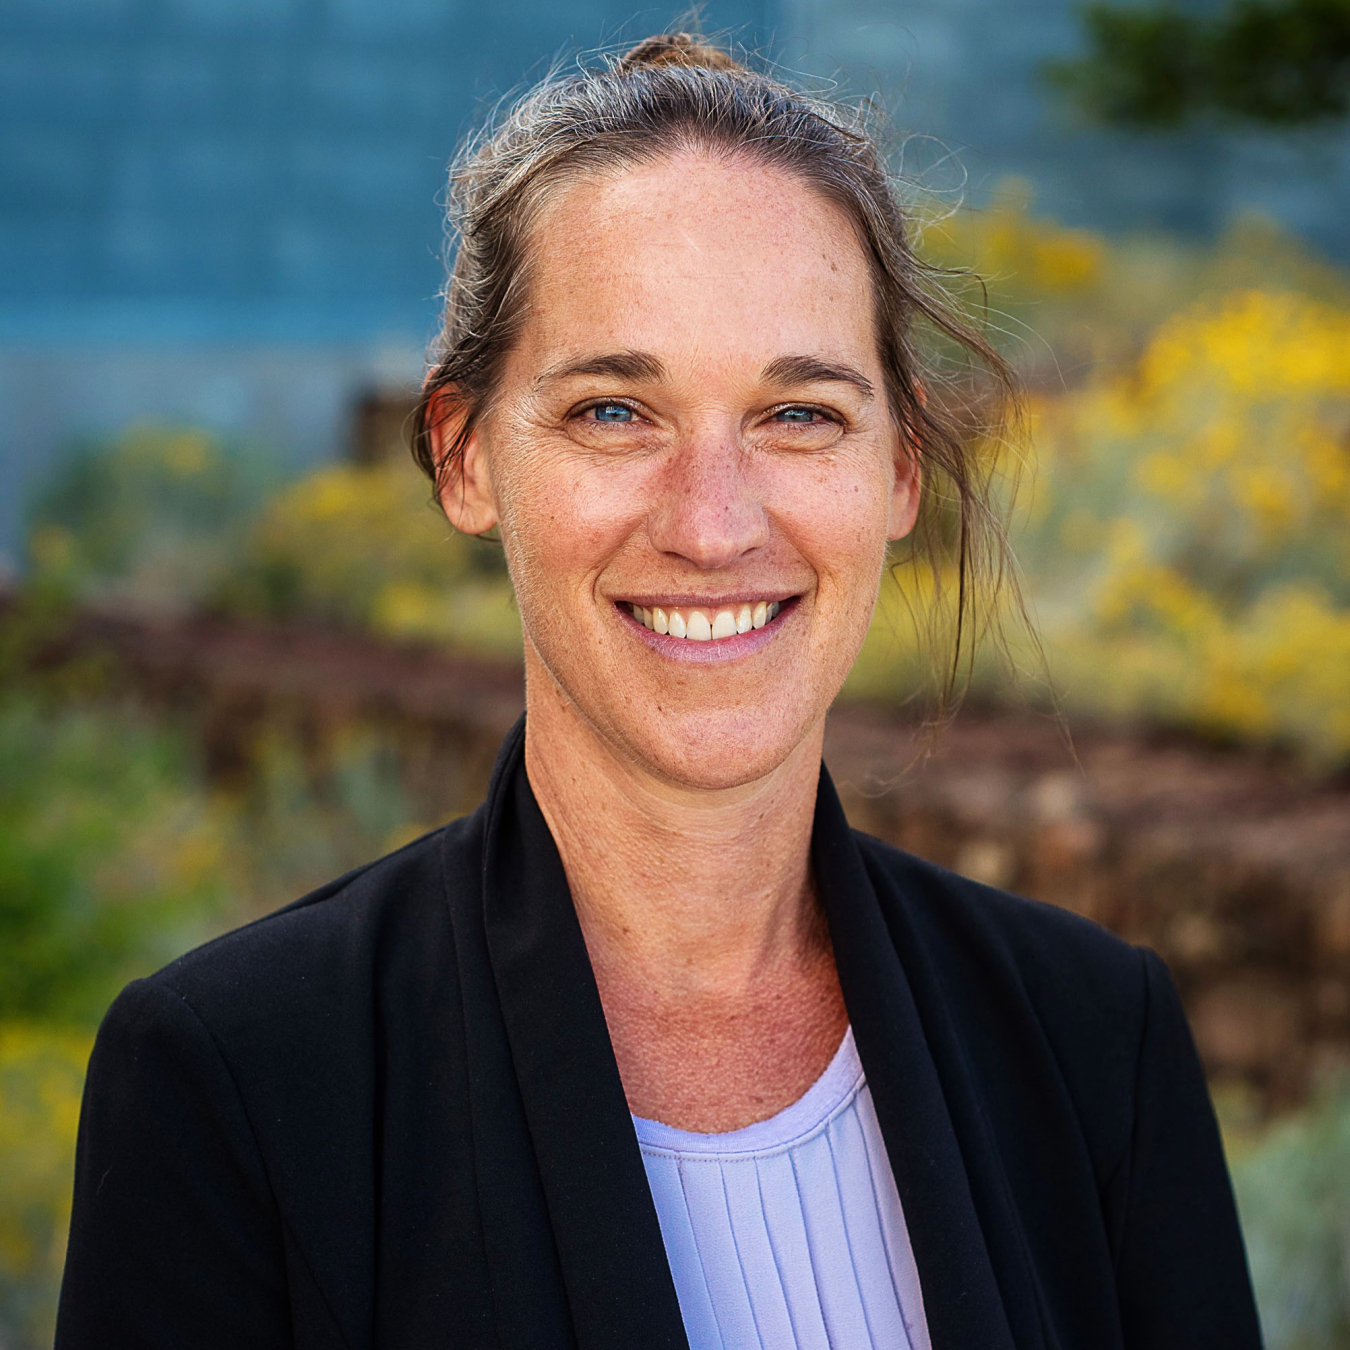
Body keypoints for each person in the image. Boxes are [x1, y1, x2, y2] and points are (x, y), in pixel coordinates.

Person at [56, 33, 1262, 1350]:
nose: (711, 522)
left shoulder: (1092, 1039)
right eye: (615, 413)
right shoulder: (239, 1079)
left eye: (797, 413)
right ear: (464, 456)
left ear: (899, 469)